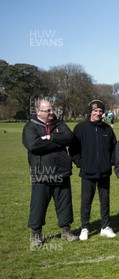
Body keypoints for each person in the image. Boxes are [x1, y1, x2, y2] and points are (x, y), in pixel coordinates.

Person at [23, 99, 78, 248]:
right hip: (42, 172)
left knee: (64, 203)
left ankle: (66, 230)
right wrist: (57, 143)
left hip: (61, 170)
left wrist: (50, 137)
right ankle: (36, 235)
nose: (52, 113)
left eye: (52, 110)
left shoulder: (59, 124)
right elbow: (33, 145)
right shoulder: (30, 127)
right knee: (38, 204)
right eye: (48, 111)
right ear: (38, 111)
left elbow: (69, 138)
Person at [70, 100, 117, 240]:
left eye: (100, 111)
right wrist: (81, 164)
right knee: (86, 201)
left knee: (105, 200)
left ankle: (105, 227)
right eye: (95, 111)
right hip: (87, 172)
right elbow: (73, 149)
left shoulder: (107, 129)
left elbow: (114, 148)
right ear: (90, 111)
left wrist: (110, 163)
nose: (98, 113)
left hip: (104, 172)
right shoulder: (80, 128)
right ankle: (85, 228)